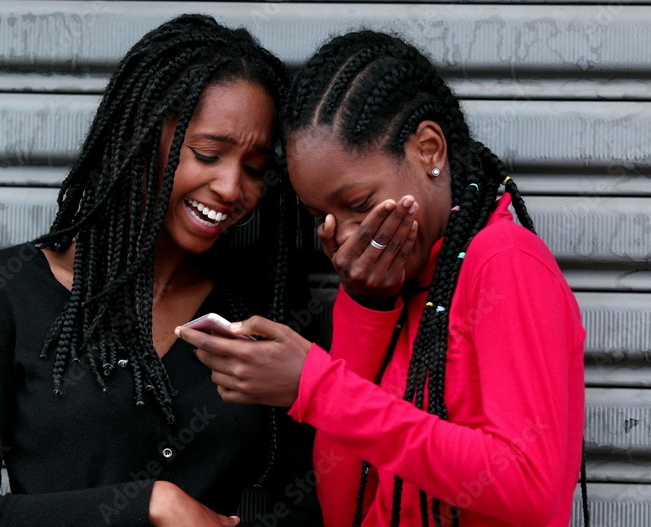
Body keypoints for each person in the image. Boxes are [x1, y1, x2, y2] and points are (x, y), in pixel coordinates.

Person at [177, 30, 585, 527]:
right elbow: (344, 509)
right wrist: (366, 307)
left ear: (429, 149)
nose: (348, 237)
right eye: (322, 217)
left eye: (360, 203)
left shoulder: (505, 261)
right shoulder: (396, 289)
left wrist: (319, 388)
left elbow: (530, 488)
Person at [0, 14, 321, 527]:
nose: (232, 188)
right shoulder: (5, 293)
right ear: (141, 137)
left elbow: (312, 506)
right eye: (207, 154)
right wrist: (153, 504)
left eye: (254, 168)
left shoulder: (266, 308)